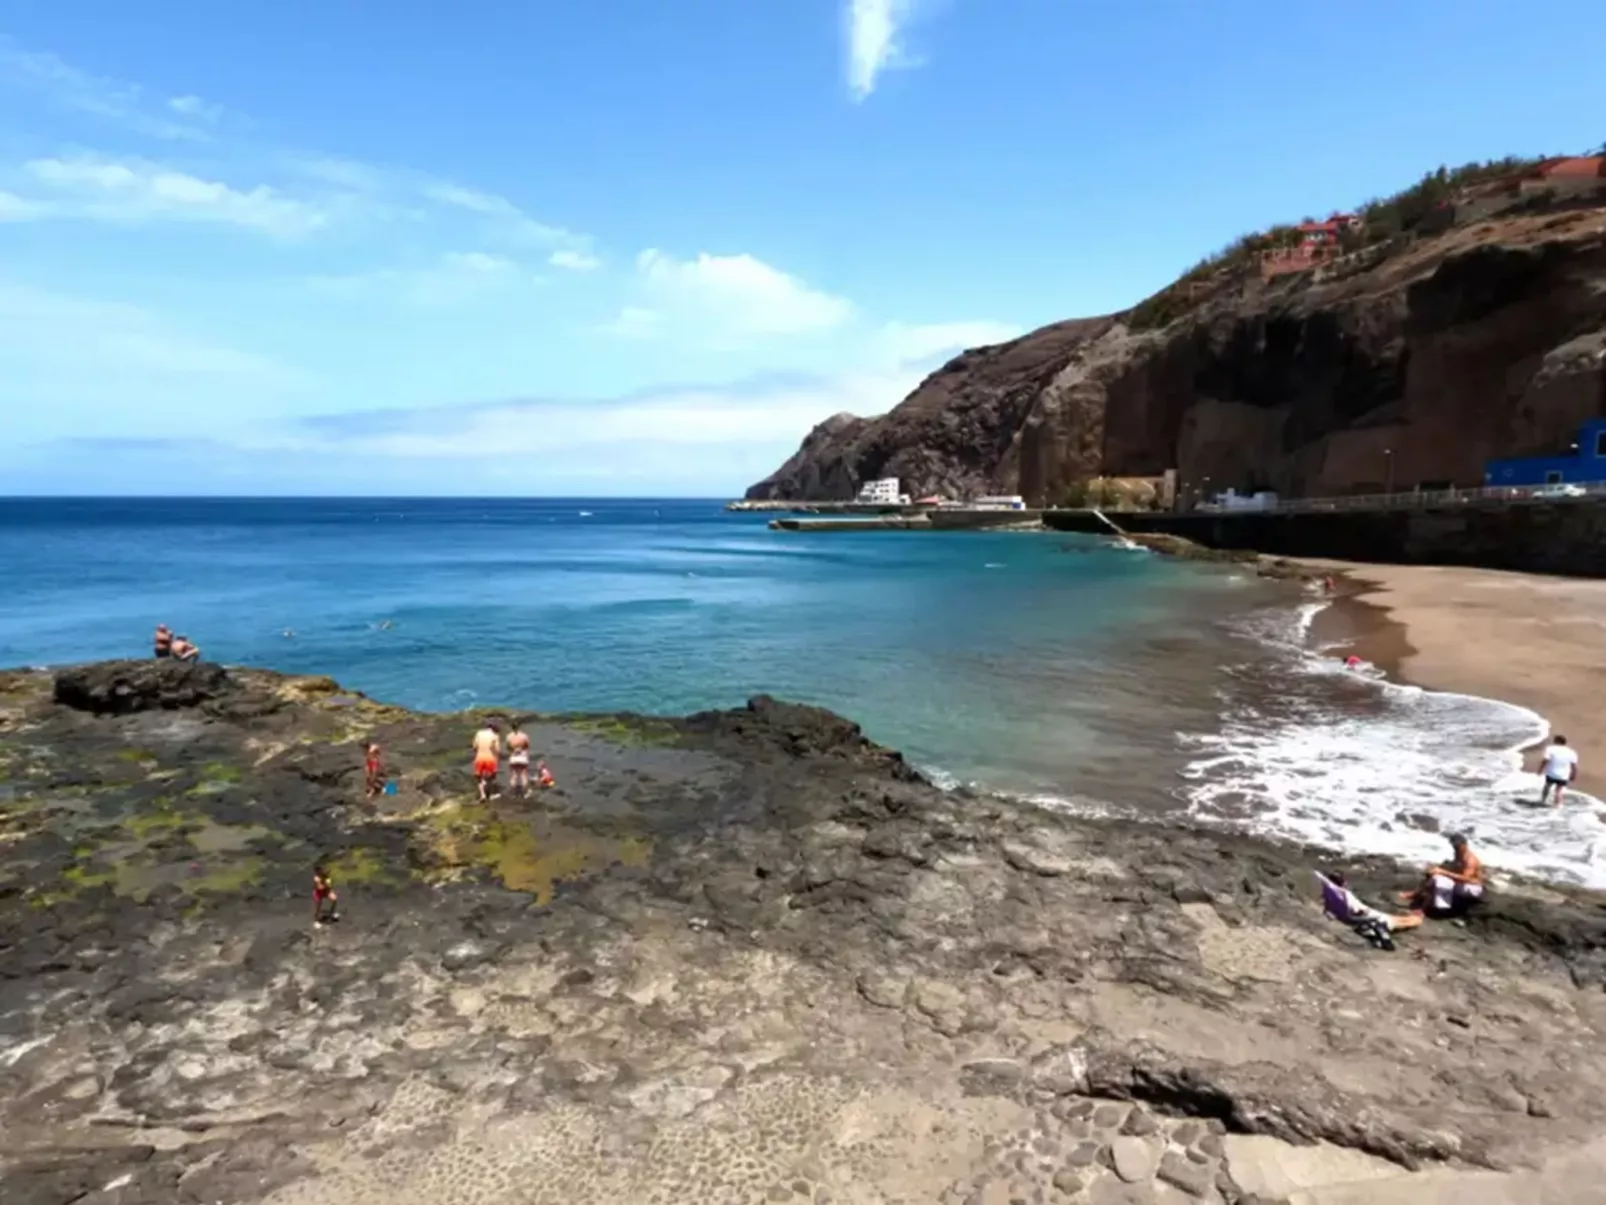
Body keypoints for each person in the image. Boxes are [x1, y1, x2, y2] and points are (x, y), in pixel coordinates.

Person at [1405, 833, 1485, 917]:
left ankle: (1439, 908)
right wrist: (1437, 869)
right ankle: (1419, 898)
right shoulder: (1458, 854)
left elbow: (1465, 878)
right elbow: (1455, 868)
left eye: (1457, 846)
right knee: (1434, 876)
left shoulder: (1470, 860)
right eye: (1454, 846)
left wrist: (1443, 872)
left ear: (1464, 844)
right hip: (1461, 883)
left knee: (1439, 880)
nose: (1455, 848)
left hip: (1472, 887)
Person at [1538, 734, 1579, 807]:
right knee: (1558, 791)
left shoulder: (1550, 749)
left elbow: (1545, 760)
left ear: (1556, 741)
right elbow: (1574, 766)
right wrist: (1574, 775)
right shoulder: (1571, 752)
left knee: (1547, 786)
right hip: (1563, 775)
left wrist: (1540, 769)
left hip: (1551, 773)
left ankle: (1543, 801)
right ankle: (1559, 806)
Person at [472, 721, 502, 801]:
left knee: (479, 778)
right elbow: (497, 750)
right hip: (490, 758)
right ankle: (490, 794)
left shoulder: (479, 733)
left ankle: (482, 795)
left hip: (479, 757)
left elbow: (474, 746)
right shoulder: (495, 735)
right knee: (491, 777)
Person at [507, 724, 532, 797]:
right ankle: (525, 793)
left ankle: (513, 793)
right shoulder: (524, 736)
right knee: (523, 775)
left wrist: (514, 749)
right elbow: (527, 746)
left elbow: (508, 747)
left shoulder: (509, 736)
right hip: (522, 756)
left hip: (513, 756)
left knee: (514, 775)